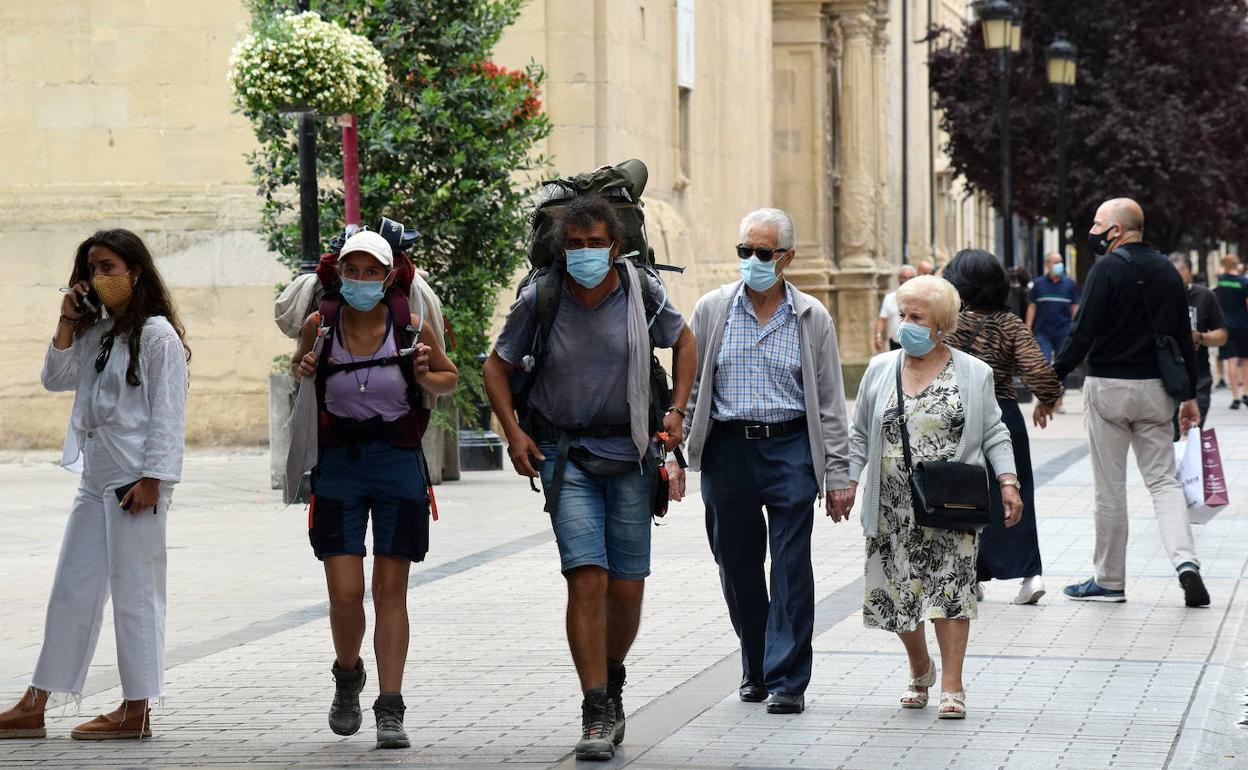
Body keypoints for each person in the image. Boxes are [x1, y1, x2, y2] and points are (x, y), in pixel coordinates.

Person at [483, 196, 695, 761]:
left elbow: (685, 340)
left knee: (627, 587)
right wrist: (514, 433)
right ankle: (596, 706)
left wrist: (675, 410)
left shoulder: (640, 291)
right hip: (565, 454)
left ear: (616, 246)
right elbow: (495, 366)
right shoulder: (542, 296)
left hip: (631, 454)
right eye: (573, 245)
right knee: (587, 576)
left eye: (594, 243)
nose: (584, 254)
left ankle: (613, 674)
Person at [0, 230, 189, 740]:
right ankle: (37, 701)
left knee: (135, 593)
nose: (100, 279)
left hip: (136, 480)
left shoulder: (157, 335)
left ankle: (137, 709)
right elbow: (54, 376)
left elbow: (169, 415)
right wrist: (68, 317)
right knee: (71, 589)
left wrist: (154, 479)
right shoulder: (98, 333)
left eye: (109, 267)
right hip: (96, 476)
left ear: (136, 272)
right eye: (92, 270)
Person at [674, 208, 851, 716]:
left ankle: (789, 678)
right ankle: (755, 665)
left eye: (763, 252)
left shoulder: (812, 316)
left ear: (787, 258)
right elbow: (689, 391)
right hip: (728, 450)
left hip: (791, 447)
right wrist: (675, 455)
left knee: (792, 567)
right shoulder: (711, 309)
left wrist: (837, 473)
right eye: (744, 251)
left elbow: (829, 402)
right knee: (737, 565)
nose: (752, 261)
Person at [293, 230, 459, 750]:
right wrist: (302, 368)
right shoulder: (319, 325)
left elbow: (449, 380)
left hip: (396, 463)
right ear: (338, 274)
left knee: (391, 591)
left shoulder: (410, 324)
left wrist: (426, 374)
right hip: (340, 464)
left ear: (388, 278)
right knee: (344, 594)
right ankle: (348, 676)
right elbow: (302, 376)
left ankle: (391, 706)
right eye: (352, 270)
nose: (360, 280)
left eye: (371, 272)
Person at [846, 275, 1020, 720]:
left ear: (941, 326)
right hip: (891, 507)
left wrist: (1008, 482)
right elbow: (861, 433)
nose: (905, 324)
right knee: (895, 594)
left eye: (916, 317)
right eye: (902, 315)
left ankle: (952, 683)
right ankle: (919, 666)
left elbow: (996, 431)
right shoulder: (879, 368)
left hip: (951, 503)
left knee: (951, 590)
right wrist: (845, 482)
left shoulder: (973, 373)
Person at [1053, 198, 1208, 607]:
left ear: (1116, 230)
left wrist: (1052, 379)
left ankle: (1109, 581)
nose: (1093, 229)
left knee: (1110, 486)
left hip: (1108, 387)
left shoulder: (1106, 269)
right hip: (1157, 389)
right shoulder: (1169, 273)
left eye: (1097, 223)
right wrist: (1189, 395)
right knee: (1163, 481)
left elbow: (1082, 332)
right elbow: (1181, 337)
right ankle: (1186, 563)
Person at [944, 250, 1062, 606]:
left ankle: (968, 574)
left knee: (959, 496)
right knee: (1013, 491)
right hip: (1003, 415)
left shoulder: (948, 322)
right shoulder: (1009, 323)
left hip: (955, 415)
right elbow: (1039, 369)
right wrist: (1047, 398)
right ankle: (1030, 575)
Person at [1170, 253, 1226, 429]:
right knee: (1171, 437)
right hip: (1168, 378)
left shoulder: (1205, 296)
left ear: (1190, 272)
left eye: (1181, 270)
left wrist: (1200, 337)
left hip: (1199, 376)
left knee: (1194, 432)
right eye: (1173, 271)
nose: (1177, 275)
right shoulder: (1159, 297)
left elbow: (1222, 336)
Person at [1026, 252, 1081, 362]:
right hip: (1043, 331)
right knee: (1043, 362)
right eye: (1056, 262)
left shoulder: (1070, 284)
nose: (1059, 265)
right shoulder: (1038, 284)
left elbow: (1075, 307)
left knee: (1062, 363)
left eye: (1060, 262)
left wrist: (1076, 327)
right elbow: (1032, 306)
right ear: (1047, 265)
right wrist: (1028, 327)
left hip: (1063, 331)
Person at [1212, 254, 1248, 410]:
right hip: (1244, 325)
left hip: (1226, 326)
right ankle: (1246, 393)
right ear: (1237, 265)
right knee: (1246, 361)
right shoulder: (1244, 282)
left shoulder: (1220, 282)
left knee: (1231, 362)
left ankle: (1235, 398)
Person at [875, 265, 917, 353]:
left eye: (910, 277)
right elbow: (882, 319)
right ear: (899, 279)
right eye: (904, 277)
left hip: (916, 342)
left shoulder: (921, 298)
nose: (907, 280)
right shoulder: (889, 298)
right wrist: (878, 336)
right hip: (895, 343)